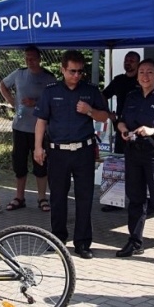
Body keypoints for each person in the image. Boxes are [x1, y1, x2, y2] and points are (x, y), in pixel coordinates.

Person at [34, 50, 109, 259]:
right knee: (58, 197)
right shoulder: (51, 91)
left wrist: (89, 111)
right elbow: (41, 121)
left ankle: (83, 242)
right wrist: (38, 147)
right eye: (72, 71)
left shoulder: (90, 91)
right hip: (58, 152)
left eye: (80, 72)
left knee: (84, 197)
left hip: (83, 151)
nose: (76, 75)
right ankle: (58, 239)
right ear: (63, 69)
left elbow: (104, 117)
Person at [114, 59, 154, 268]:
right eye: (141, 72)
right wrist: (124, 130)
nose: (145, 76)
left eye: (150, 72)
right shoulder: (131, 97)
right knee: (135, 200)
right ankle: (135, 243)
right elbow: (121, 121)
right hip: (133, 153)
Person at [0, 46, 56, 212]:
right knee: (19, 163)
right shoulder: (19, 73)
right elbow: (2, 84)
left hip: (40, 129)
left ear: (39, 59)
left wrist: (36, 103)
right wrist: (12, 101)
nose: (29, 61)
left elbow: (54, 100)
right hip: (20, 127)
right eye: (27, 58)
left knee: (41, 164)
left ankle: (42, 198)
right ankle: (19, 197)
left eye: (32, 58)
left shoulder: (49, 77)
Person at [100, 50, 141, 212]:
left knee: (138, 165)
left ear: (138, 63)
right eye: (126, 60)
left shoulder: (142, 80)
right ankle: (114, 200)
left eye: (131, 60)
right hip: (121, 127)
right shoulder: (119, 80)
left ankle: (142, 201)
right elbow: (103, 95)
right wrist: (108, 113)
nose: (128, 63)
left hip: (140, 129)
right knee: (118, 163)